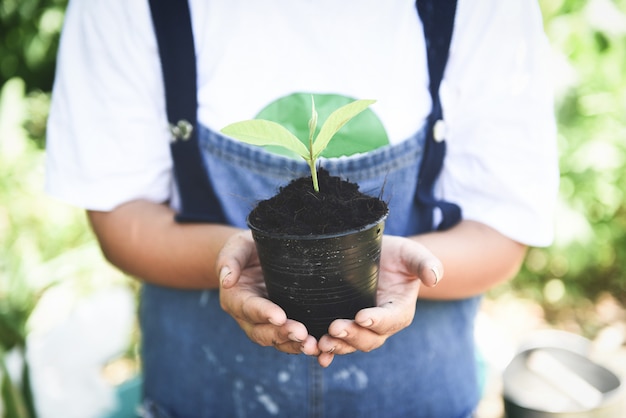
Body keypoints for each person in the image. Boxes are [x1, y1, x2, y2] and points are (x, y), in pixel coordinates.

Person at [45, 0, 559, 417]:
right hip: (203, 393)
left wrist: (391, 265)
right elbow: (122, 220)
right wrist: (233, 261)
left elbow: (502, 231)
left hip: (417, 396)